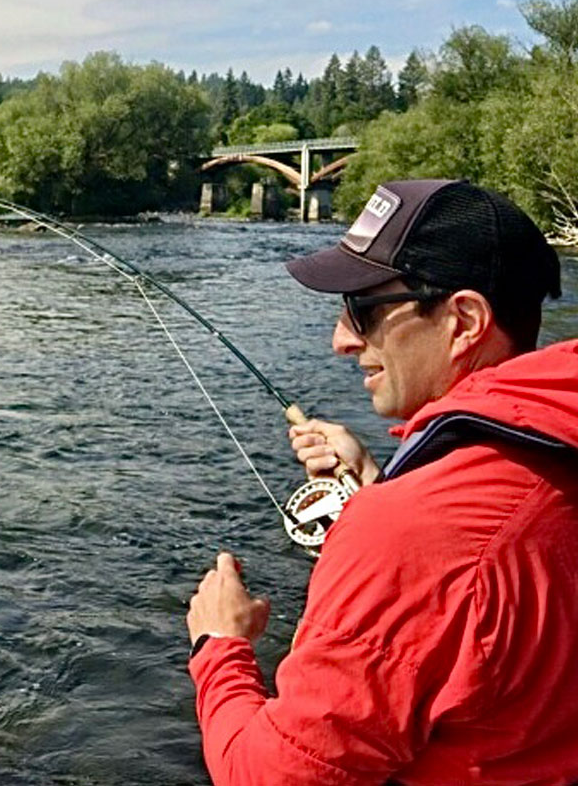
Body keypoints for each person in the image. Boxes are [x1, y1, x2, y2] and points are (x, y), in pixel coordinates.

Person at [184, 179, 578, 784]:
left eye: (365, 310)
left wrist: (219, 647)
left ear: (464, 320)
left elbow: (274, 776)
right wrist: (378, 480)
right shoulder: (556, 443)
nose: (342, 340)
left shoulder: (414, 532)